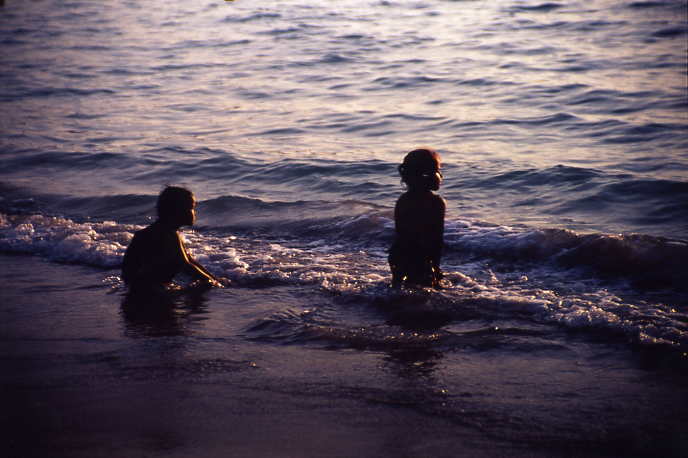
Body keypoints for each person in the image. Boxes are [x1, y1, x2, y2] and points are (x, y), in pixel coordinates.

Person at [122, 186, 225, 292]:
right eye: (191, 208)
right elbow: (186, 265)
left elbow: (189, 260)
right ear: (177, 211)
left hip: (136, 286)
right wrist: (211, 283)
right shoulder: (167, 234)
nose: (194, 212)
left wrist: (214, 279)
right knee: (199, 291)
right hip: (147, 290)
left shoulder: (161, 230)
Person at [389, 148, 446, 288]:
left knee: (398, 290)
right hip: (420, 257)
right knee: (425, 293)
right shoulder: (436, 202)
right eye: (438, 171)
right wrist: (435, 267)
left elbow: (400, 233)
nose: (441, 176)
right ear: (427, 175)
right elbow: (436, 239)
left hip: (398, 254)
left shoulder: (403, 200)